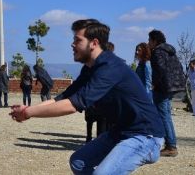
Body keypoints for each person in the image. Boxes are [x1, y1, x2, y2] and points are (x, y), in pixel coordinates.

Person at [10, 19, 165, 174]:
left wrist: (28, 113)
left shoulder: (110, 68)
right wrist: (29, 110)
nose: (72, 44)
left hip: (145, 136)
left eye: (78, 40)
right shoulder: (90, 69)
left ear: (94, 43)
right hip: (120, 132)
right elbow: (62, 98)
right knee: (78, 162)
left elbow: (72, 105)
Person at [149, 29, 186, 157]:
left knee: (164, 115)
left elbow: (160, 69)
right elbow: (179, 68)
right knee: (166, 115)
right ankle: (170, 144)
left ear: (154, 41)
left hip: (163, 87)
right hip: (174, 86)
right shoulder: (170, 51)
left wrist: (155, 83)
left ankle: (171, 146)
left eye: (150, 40)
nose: (148, 43)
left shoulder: (157, 52)